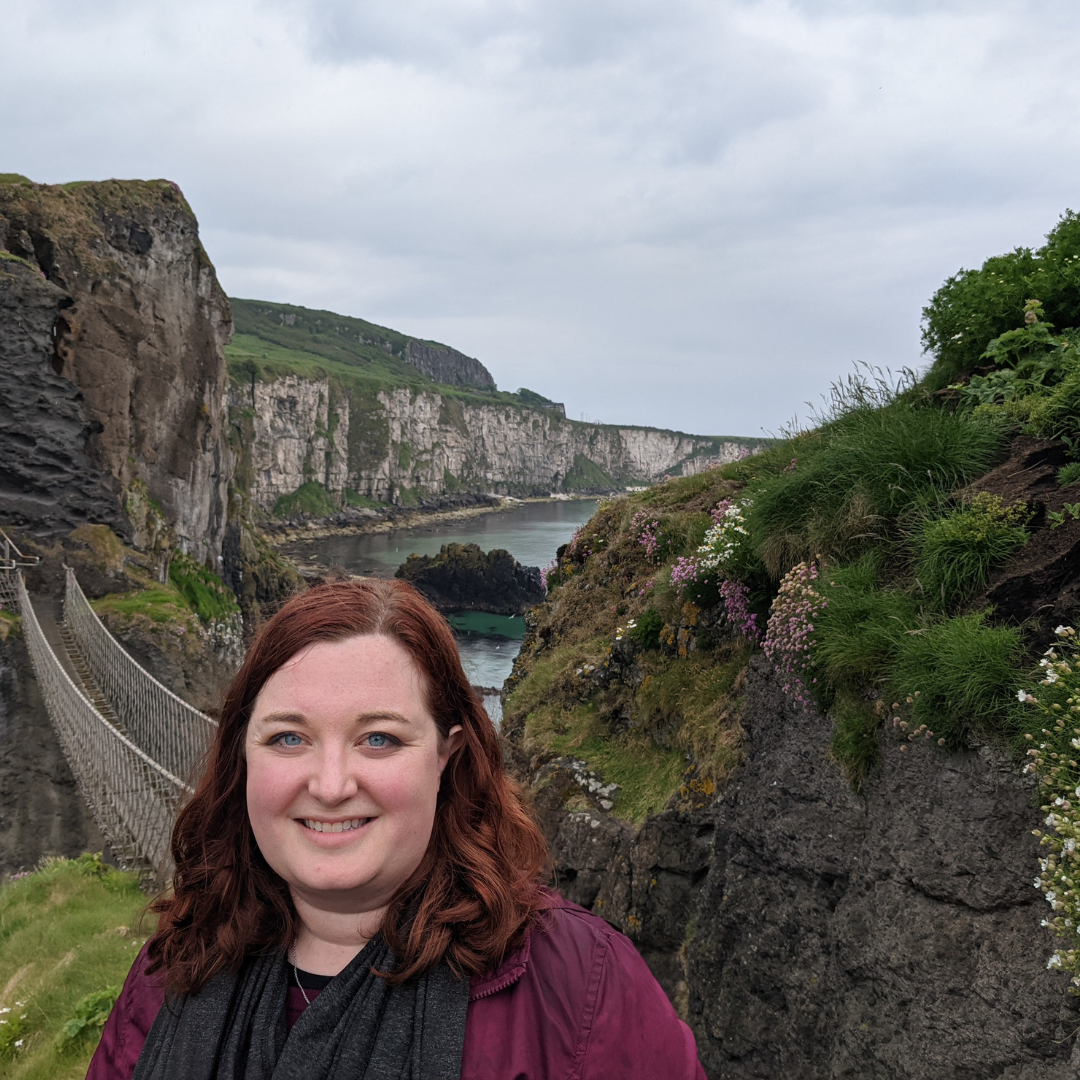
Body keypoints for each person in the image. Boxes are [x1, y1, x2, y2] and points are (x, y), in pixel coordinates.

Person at [88, 578, 706, 1079]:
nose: (331, 786)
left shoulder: (584, 989)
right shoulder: (170, 970)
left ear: (447, 755)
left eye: (379, 738)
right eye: (288, 737)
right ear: (242, 756)